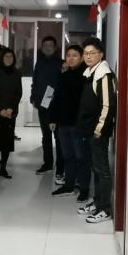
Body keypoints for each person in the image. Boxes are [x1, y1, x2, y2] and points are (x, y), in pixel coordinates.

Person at [75, 37, 117, 224]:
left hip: (98, 131)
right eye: (86, 53)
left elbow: (108, 105)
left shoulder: (104, 75)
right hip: (90, 130)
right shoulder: (90, 72)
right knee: (96, 169)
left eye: (92, 53)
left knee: (102, 170)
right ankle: (98, 201)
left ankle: (105, 209)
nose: (88, 56)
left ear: (101, 54)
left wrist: (99, 130)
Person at [48, 45, 88, 199]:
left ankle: (84, 189)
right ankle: (69, 185)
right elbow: (57, 98)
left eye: (75, 55)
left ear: (82, 58)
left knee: (81, 158)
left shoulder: (86, 76)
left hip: (79, 124)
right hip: (63, 123)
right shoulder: (64, 76)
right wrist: (52, 118)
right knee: (67, 156)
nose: (71, 58)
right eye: (68, 55)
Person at [0, 49, 23, 180]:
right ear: (2, 58)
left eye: (11, 56)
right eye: (6, 56)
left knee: (6, 143)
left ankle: (3, 169)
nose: (8, 58)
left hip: (10, 113)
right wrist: (0, 109)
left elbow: (18, 92)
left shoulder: (17, 73)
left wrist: (11, 108)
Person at [32, 36, 64, 176]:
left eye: (50, 45)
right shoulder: (39, 63)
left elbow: (61, 85)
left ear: (55, 47)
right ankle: (47, 164)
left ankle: (61, 166)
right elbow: (35, 81)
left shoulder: (61, 64)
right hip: (42, 106)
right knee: (46, 136)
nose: (47, 48)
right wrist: (33, 97)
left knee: (59, 137)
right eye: (45, 45)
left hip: (56, 107)